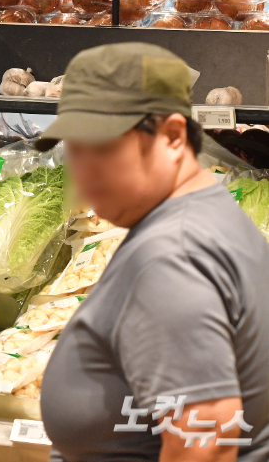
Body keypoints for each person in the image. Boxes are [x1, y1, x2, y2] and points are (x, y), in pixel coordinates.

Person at [36, 42, 269, 462]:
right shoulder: (205, 215)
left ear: (174, 137)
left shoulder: (171, 259)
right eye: (73, 146)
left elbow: (206, 437)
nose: (82, 169)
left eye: (103, 147)